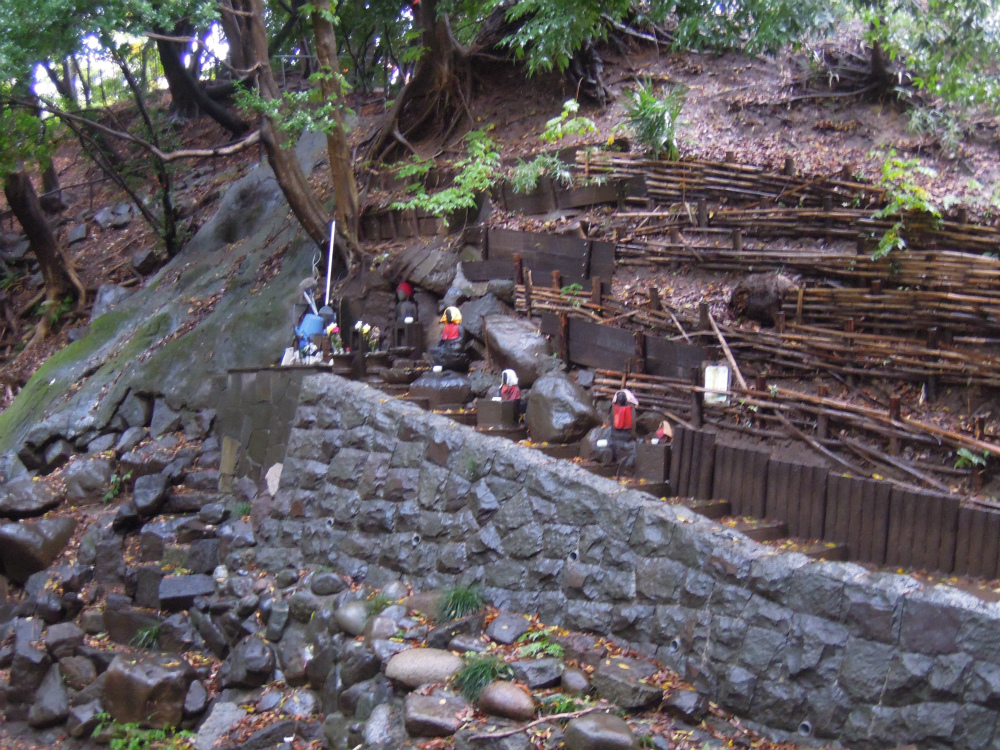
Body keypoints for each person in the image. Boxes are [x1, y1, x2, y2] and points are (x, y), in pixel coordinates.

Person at [429, 306, 470, 371]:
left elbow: (461, 339)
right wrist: (442, 344)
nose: (448, 317)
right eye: (447, 315)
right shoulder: (445, 328)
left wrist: (453, 344)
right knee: (433, 350)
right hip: (446, 347)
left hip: (454, 347)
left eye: (449, 315)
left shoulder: (459, 328)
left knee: (455, 350)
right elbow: (441, 341)